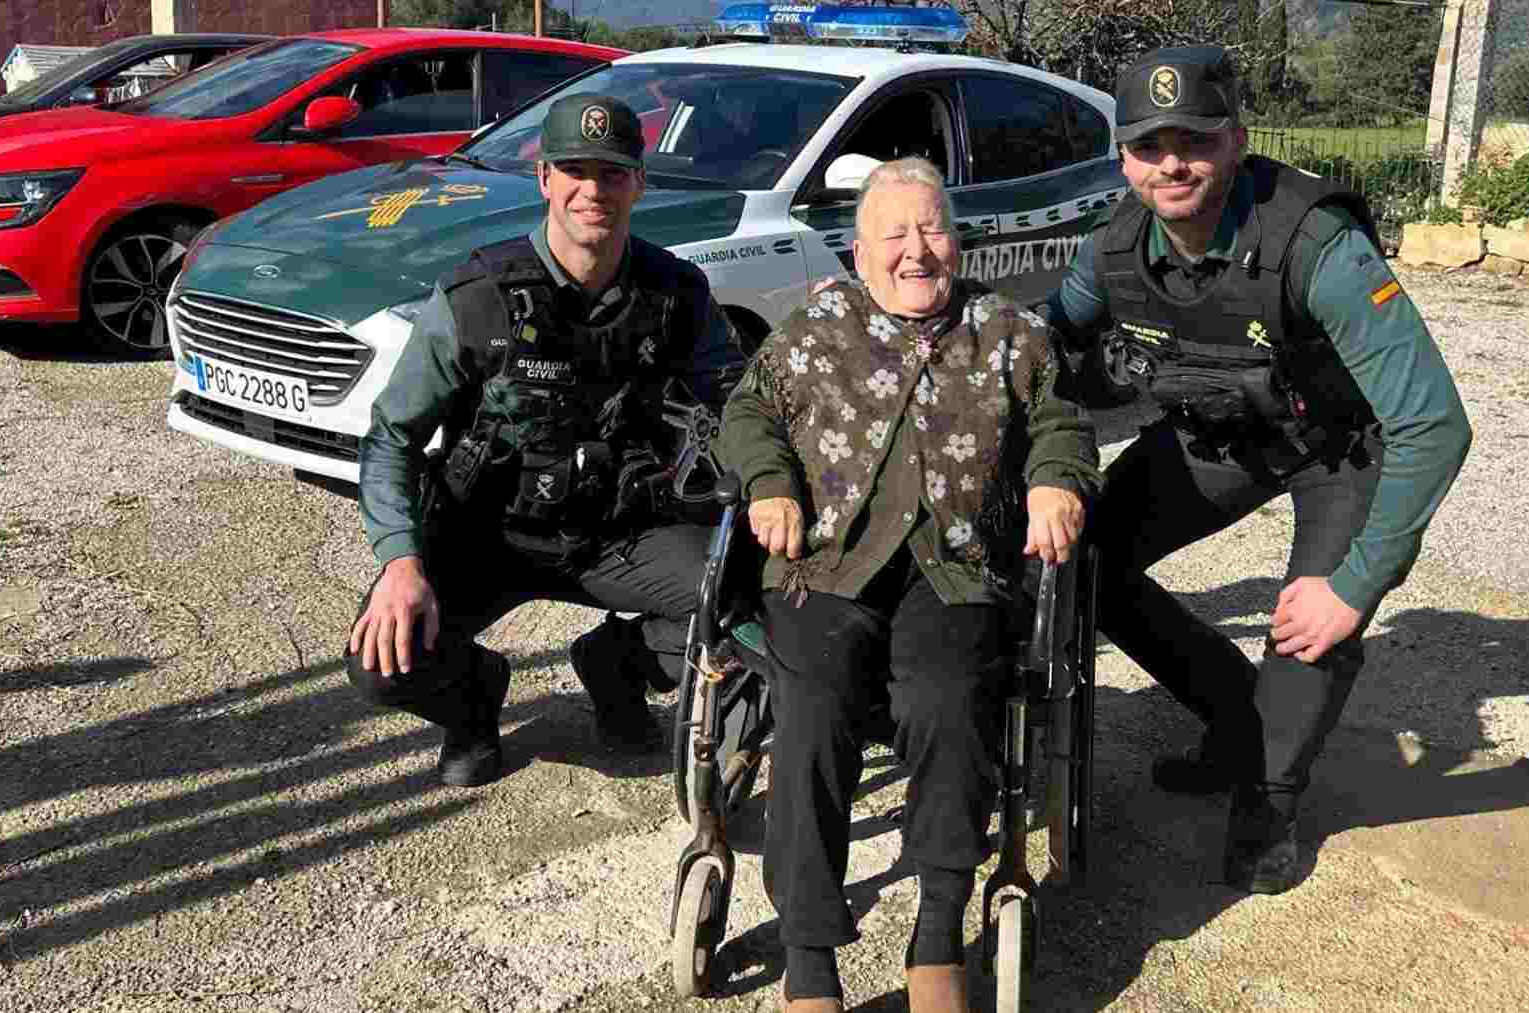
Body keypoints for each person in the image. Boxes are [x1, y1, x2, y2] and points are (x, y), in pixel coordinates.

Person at [1044, 46, 1473, 894]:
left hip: (1337, 446)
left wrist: (1355, 586)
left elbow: (1433, 423)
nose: (1172, 163)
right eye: (1147, 144)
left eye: (1195, 140)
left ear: (1236, 139)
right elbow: (1041, 346)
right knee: (1089, 561)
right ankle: (1241, 725)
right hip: (1223, 434)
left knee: (1312, 624)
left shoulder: (1316, 243)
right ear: (1122, 157)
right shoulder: (1113, 250)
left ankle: (1270, 799)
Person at [718, 157, 1102, 1012]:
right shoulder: (818, 323)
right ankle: (808, 952)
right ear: (858, 254)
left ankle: (938, 932)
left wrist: (1055, 478)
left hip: (956, 565)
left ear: (956, 242)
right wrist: (770, 480)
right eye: (894, 234)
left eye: (931, 229)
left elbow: (1061, 422)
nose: (915, 251)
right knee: (813, 701)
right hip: (826, 562)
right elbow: (746, 412)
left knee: (951, 692)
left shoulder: (1007, 330)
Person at [344, 94, 743, 786]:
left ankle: (617, 665)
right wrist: (399, 561)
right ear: (545, 179)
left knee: (740, 590)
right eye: (575, 170)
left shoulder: (677, 294)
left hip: (617, 531)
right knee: (381, 659)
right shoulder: (477, 297)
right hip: (488, 532)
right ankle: (474, 700)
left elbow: (741, 409)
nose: (593, 190)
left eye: (613, 173)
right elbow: (391, 438)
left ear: (638, 184)